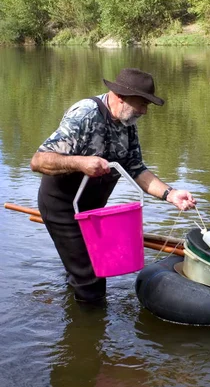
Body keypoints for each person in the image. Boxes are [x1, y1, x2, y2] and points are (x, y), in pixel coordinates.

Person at [30, 68, 196, 302]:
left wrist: (171, 194)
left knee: (84, 267)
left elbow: (136, 168)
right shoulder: (84, 114)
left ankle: (73, 301)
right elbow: (38, 161)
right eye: (142, 104)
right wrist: (80, 163)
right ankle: (91, 330)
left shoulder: (128, 122)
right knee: (93, 280)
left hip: (93, 211)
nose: (145, 112)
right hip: (62, 206)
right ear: (120, 97)